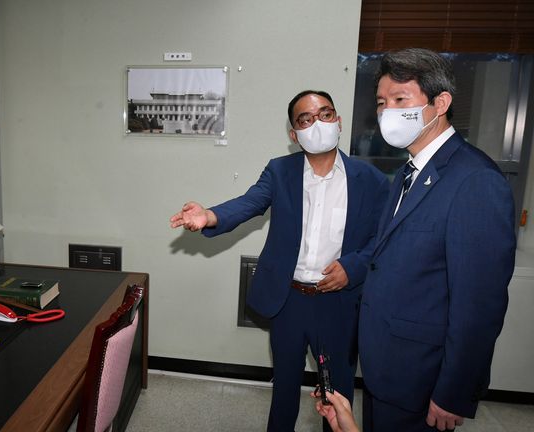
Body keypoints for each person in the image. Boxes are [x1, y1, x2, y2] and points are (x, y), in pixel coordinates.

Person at [170, 90, 389, 431]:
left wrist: (353, 267)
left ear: (338, 121)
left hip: (339, 304)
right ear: (294, 134)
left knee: (337, 393)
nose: (317, 123)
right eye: (305, 119)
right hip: (289, 300)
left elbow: (382, 239)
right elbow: (249, 203)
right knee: (285, 387)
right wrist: (210, 215)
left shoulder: (371, 180)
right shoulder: (280, 171)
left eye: (325, 114)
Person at [358, 48, 516, 431]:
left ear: (440, 102)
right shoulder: (408, 173)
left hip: (423, 377)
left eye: (400, 100)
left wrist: (454, 391)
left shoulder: (475, 180)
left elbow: (479, 304)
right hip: (386, 366)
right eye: (381, 102)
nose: (387, 112)